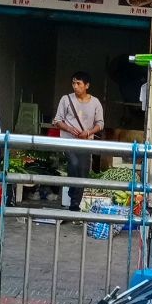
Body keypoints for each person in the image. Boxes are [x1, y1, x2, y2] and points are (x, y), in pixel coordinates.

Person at [53, 72, 105, 213]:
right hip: (68, 141)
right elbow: (57, 120)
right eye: (73, 83)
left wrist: (88, 132)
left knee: (83, 172)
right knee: (74, 164)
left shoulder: (95, 102)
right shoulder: (66, 99)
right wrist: (69, 129)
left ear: (87, 85)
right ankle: (72, 193)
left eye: (79, 83)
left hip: (86, 142)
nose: (75, 86)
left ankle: (75, 204)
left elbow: (100, 124)